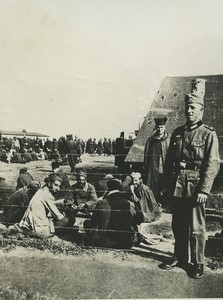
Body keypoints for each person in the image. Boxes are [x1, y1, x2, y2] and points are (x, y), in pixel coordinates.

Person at [162, 92, 220, 279]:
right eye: (187, 107)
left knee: (196, 227)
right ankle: (180, 257)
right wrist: (166, 184)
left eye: (193, 108)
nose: (189, 111)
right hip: (178, 186)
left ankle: (197, 263)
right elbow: (169, 161)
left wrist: (204, 189)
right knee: (178, 225)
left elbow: (212, 164)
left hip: (195, 188)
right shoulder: (178, 132)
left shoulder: (208, 134)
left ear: (201, 111)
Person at [84, 178, 143, 248]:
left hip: (105, 242)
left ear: (108, 189)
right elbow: (140, 218)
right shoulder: (129, 203)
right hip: (125, 243)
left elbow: (94, 222)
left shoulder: (102, 203)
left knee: (86, 223)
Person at [144, 117, 170, 203]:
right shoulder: (151, 140)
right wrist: (147, 166)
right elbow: (146, 155)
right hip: (153, 167)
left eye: (162, 127)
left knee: (164, 185)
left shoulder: (169, 139)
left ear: (165, 127)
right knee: (153, 184)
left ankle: (163, 202)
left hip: (164, 166)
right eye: (158, 127)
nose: (160, 129)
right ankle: (154, 202)